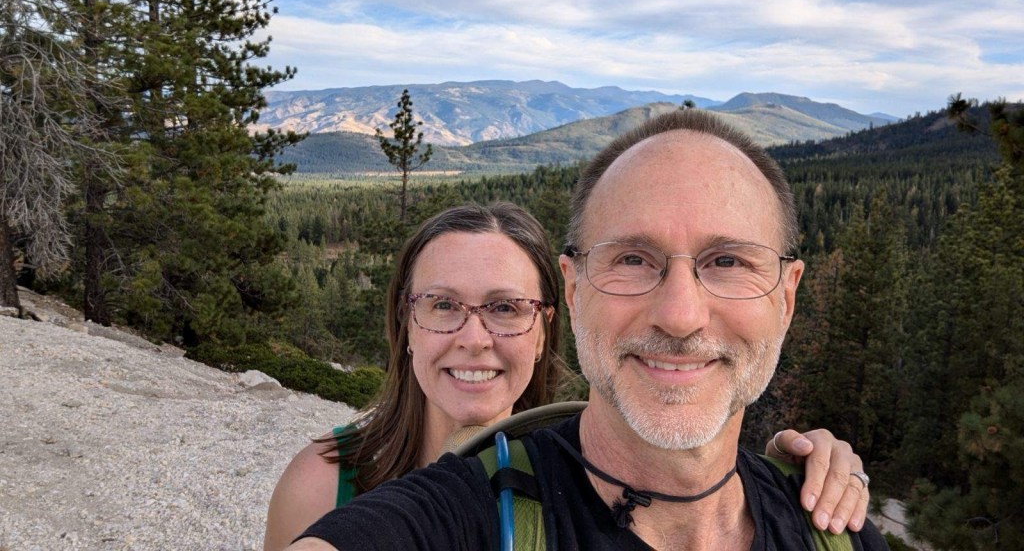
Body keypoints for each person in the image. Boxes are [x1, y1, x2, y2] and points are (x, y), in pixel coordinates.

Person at [279, 155, 885, 550]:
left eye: (506, 308)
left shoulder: (568, 463)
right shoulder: (338, 482)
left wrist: (789, 471)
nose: (473, 337)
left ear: (548, 322)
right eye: (441, 305)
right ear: (404, 322)